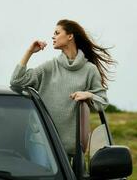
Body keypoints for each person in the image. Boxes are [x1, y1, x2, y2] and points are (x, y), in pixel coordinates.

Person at [10, 19, 116, 159]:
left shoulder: (89, 70)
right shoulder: (49, 67)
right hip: (42, 142)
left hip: (73, 148)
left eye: (57, 33)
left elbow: (102, 102)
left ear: (70, 36)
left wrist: (89, 95)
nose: (53, 36)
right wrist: (29, 51)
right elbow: (16, 81)